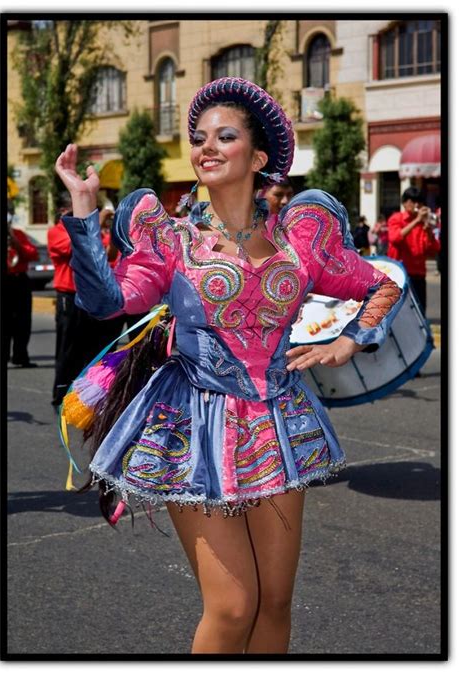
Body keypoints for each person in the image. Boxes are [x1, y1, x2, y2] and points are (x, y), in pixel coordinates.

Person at [55, 77, 402, 655]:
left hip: (279, 427)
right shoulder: (172, 241)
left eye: (224, 136)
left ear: (258, 157)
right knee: (233, 605)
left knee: (274, 603)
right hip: (192, 427)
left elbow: (382, 284)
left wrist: (348, 342)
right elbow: (106, 301)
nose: (205, 147)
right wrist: (85, 213)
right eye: (198, 138)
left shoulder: (301, 245)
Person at [47, 195, 125, 409]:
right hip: (69, 297)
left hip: (90, 297)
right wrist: (98, 219)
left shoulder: (95, 231)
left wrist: (118, 232)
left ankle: (84, 394)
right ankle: (61, 394)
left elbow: (109, 255)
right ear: (64, 211)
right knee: (68, 349)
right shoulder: (57, 231)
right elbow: (78, 244)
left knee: (90, 347)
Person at [387, 187, 440, 314]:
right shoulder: (397, 218)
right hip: (400, 273)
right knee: (399, 313)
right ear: (405, 203)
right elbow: (395, 238)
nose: (416, 205)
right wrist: (416, 221)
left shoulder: (423, 223)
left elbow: (434, 249)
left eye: (419, 202)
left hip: (419, 274)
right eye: (413, 202)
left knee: (419, 312)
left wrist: (428, 230)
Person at [6, 213, 39, 367]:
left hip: (20, 280)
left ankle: (20, 356)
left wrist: (14, 240)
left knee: (23, 321)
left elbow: (32, 254)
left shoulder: (18, 234)